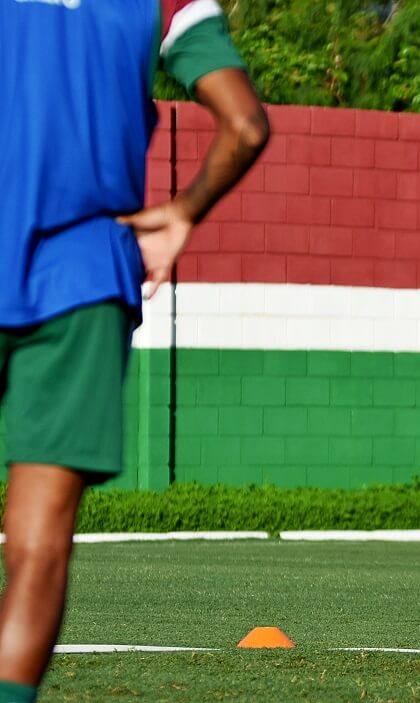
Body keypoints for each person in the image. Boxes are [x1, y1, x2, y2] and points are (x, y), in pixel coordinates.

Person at [0, 1, 268, 699]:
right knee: (38, 544)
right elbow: (244, 124)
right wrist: (182, 213)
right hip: (82, 274)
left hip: (69, 266)